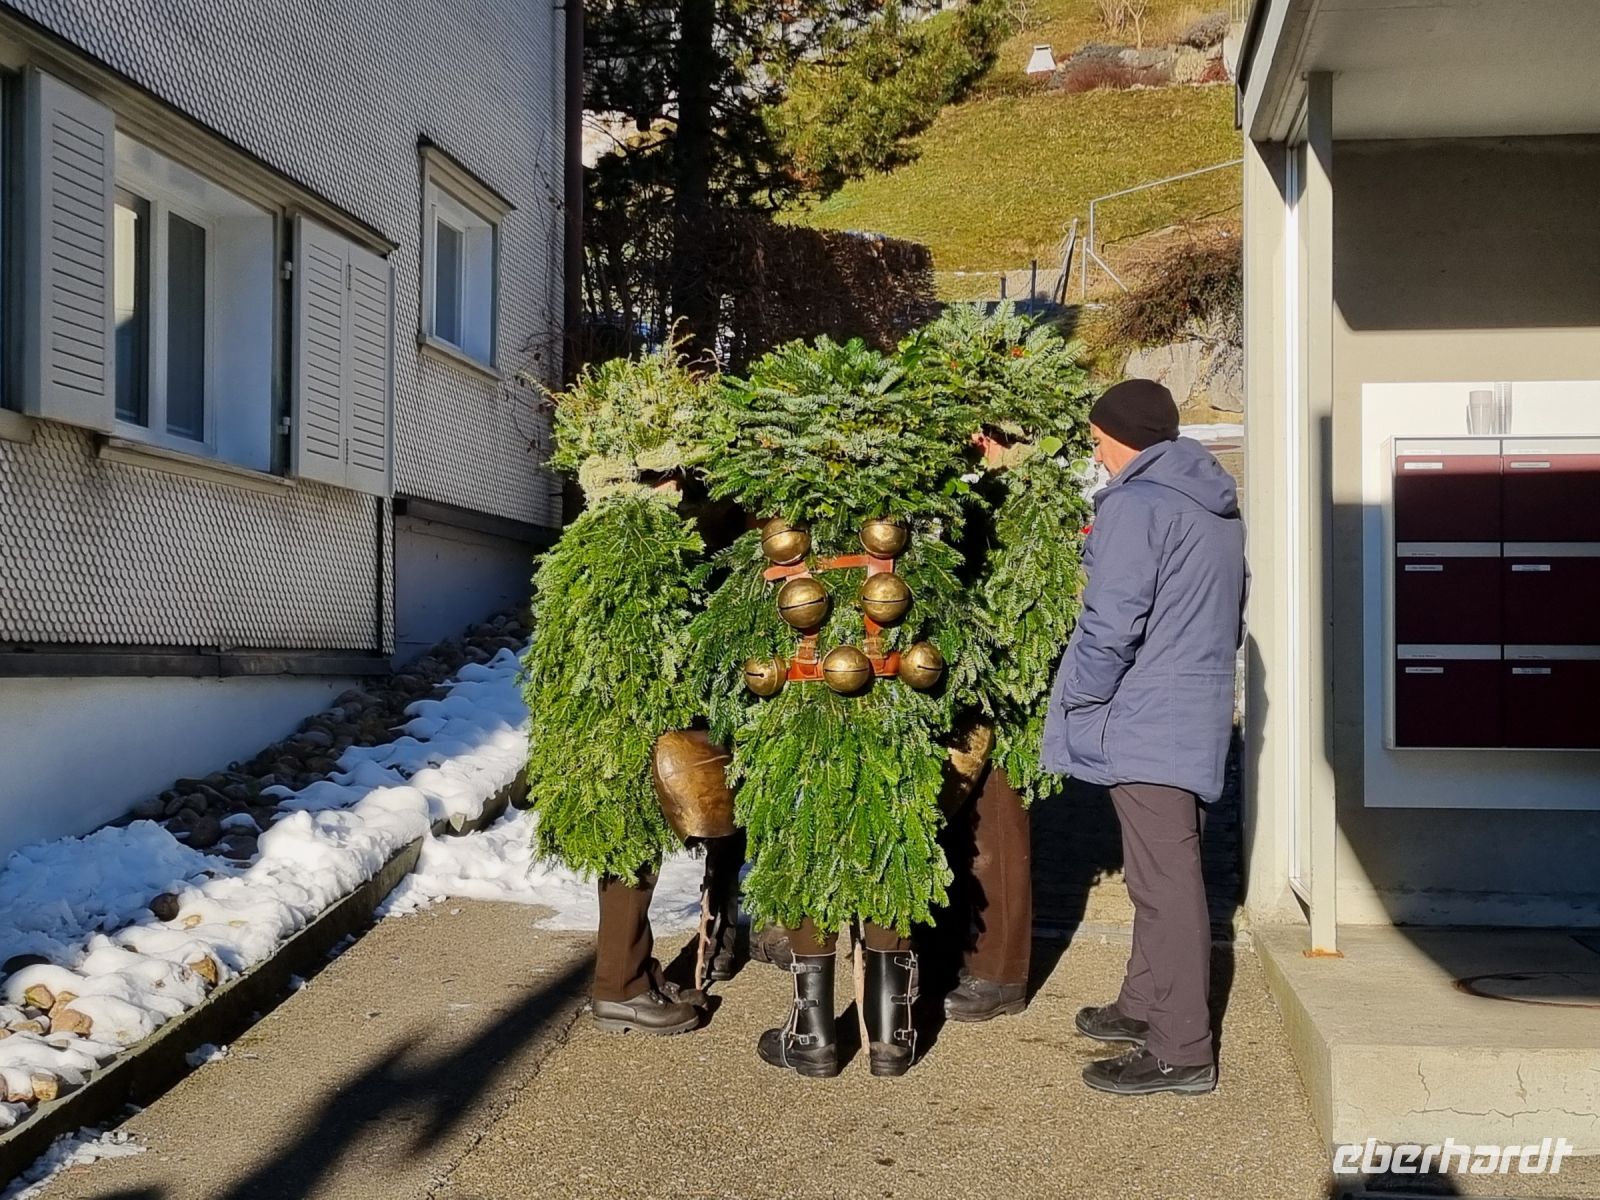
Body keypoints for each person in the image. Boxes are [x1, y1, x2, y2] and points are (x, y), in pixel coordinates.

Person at [1042, 378, 1246, 1096]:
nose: (1094, 450)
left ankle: (1181, 1048)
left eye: (1097, 437)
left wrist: (1082, 696)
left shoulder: (1138, 505)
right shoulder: (1211, 503)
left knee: (1165, 883)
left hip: (1146, 714)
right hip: (1192, 709)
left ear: (1121, 434)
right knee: (1161, 872)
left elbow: (1110, 624)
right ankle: (1142, 1006)